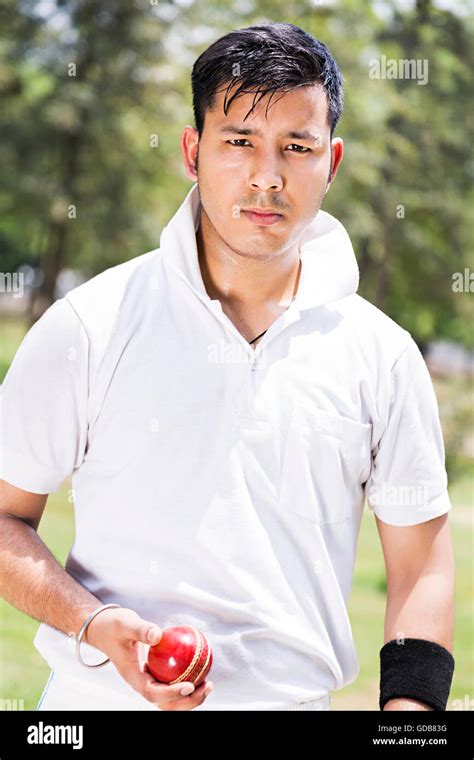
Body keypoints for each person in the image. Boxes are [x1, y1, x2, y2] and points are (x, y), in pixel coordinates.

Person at [0, 22, 455, 712]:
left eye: (296, 147)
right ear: (193, 151)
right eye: (239, 141)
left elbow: (421, 568)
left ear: (330, 163)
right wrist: (89, 621)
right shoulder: (89, 326)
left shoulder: (383, 356)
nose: (266, 176)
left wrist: (410, 726)